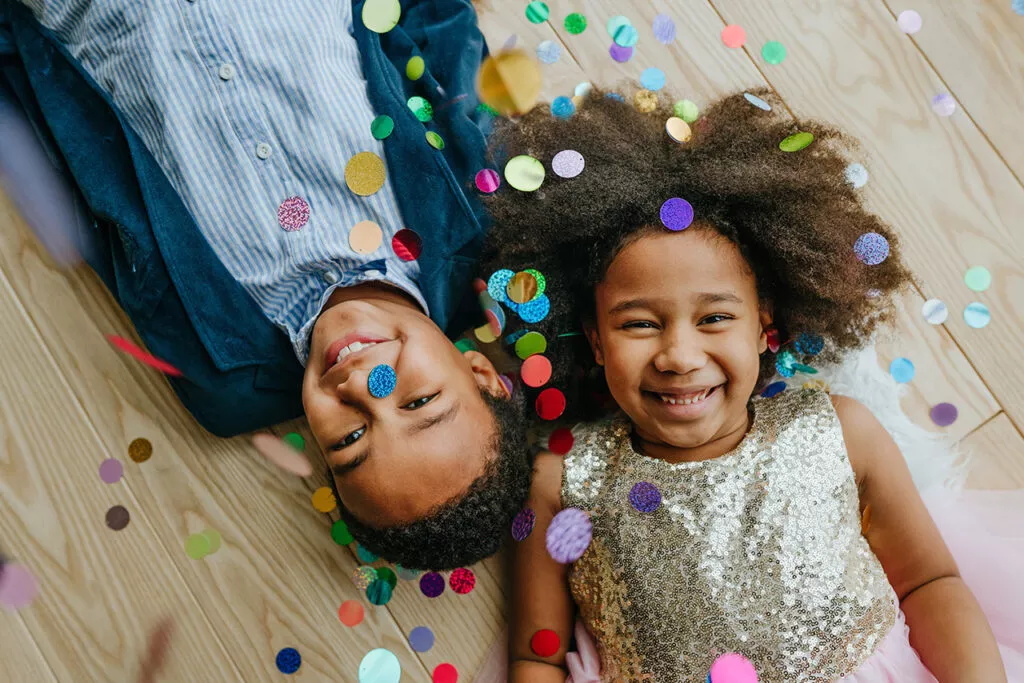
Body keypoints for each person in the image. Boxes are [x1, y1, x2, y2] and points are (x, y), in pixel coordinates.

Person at [472, 89, 1024, 681]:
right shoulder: (560, 480)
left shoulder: (842, 431)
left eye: (714, 318)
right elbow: (537, 654)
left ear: (765, 324)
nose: (680, 356)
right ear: (596, 339)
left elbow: (929, 580)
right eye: (639, 324)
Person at [0, 0, 527, 570]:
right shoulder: (474, 218)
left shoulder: (222, 381)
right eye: (419, 401)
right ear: (481, 374)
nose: (364, 387)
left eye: (349, 441)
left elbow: (95, 197)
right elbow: (442, 30)